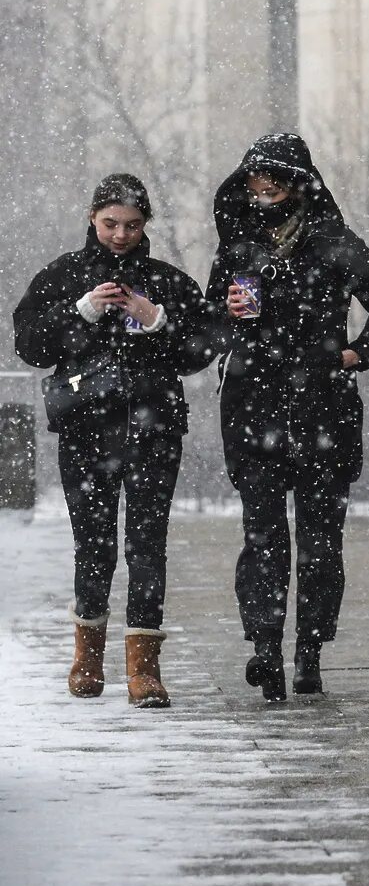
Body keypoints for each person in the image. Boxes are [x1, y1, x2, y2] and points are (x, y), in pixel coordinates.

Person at [209, 133, 369, 702]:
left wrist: (355, 353)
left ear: (299, 183)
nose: (263, 185)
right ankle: (266, 648)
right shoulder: (238, 246)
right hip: (253, 406)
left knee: (321, 541)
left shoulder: (334, 243)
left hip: (325, 409)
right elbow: (208, 316)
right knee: (264, 536)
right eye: (254, 176)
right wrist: (224, 311)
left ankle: (310, 652)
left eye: (274, 175)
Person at [12, 173, 213, 708]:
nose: (120, 235)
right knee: (92, 545)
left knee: (148, 545)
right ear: (91, 217)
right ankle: (88, 659)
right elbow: (28, 345)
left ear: (145, 224)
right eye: (110, 224)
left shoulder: (167, 281)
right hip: (85, 431)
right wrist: (80, 312)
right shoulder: (63, 275)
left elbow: (200, 349)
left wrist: (156, 320)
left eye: (131, 225)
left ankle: (144, 669)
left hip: (155, 430)